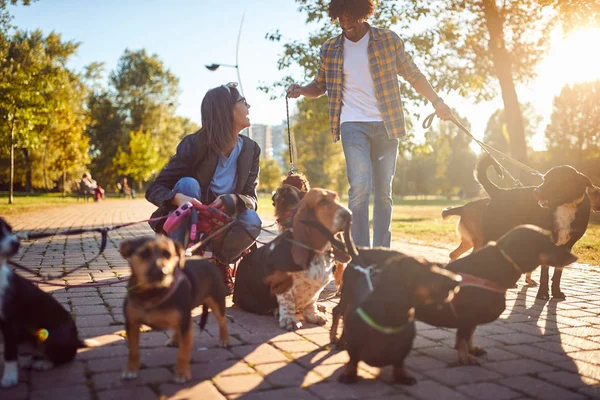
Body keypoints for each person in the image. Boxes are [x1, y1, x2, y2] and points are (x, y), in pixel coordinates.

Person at [287, 0, 453, 248]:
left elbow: (413, 74)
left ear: (363, 13)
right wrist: (301, 90)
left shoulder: (388, 40)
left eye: (351, 16)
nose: (346, 23)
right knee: (360, 187)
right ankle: (360, 253)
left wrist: (437, 101)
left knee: (384, 193)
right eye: (340, 18)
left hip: (387, 125)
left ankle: (381, 253)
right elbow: (320, 85)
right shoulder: (330, 49)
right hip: (352, 124)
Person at [146, 82, 262, 294]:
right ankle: (178, 263)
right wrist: (177, 199)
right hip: (193, 216)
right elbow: (155, 188)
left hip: (224, 218)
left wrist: (236, 199)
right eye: (243, 102)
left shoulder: (251, 149)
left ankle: (220, 263)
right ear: (226, 110)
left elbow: (251, 197)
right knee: (187, 184)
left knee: (253, 221)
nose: (249, 106)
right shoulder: (194, 144)